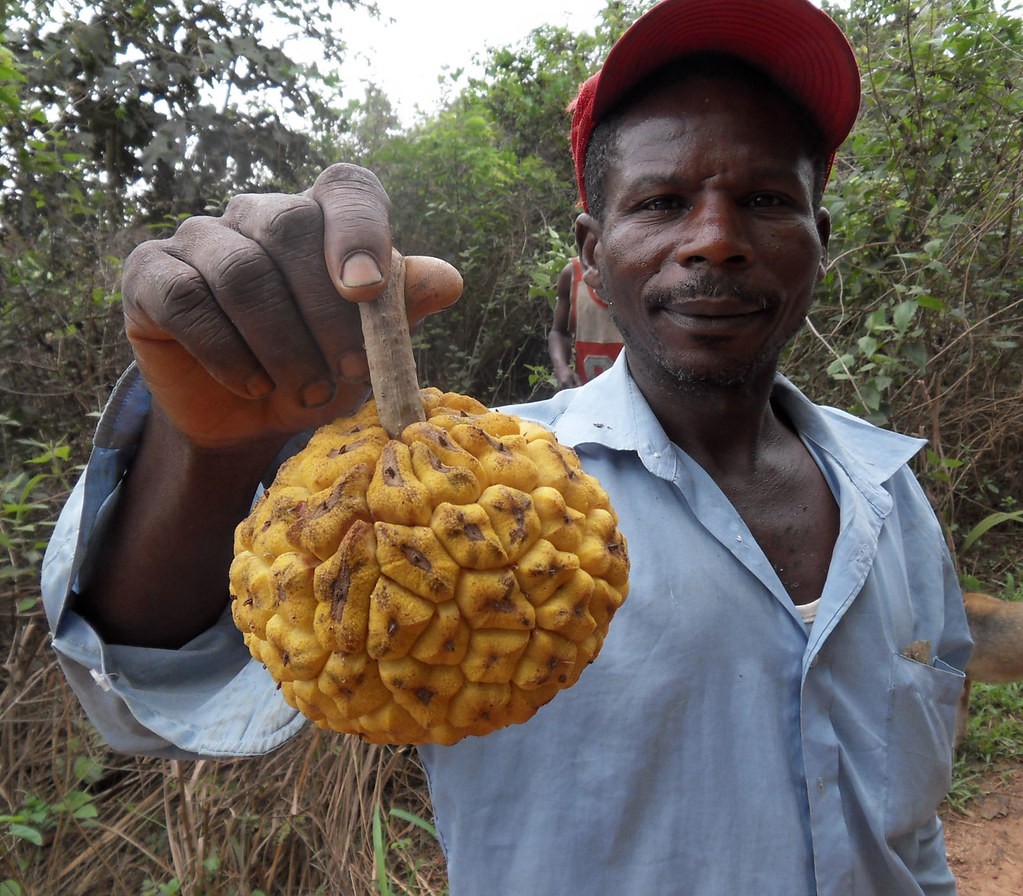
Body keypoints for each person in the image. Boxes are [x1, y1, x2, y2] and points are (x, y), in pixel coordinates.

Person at [41, 0, 972, 892]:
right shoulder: (475, 499)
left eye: (766, 198)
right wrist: (208, 453)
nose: (715, 241)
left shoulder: (891, 498)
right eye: (660, 202)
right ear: (591, 250)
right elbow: (146, 697)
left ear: (820, 234)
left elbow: (906, 827)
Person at [548, 255, 623, 388]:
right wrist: (561, 368)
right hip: (586, 398)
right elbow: (559, 332)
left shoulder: (644, 273)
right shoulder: (573, 274)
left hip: (637, 402)